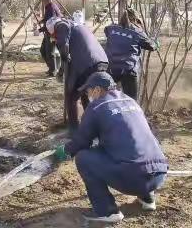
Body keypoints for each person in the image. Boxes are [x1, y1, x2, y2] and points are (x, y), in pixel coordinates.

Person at [54, 72, 168, 224]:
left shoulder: (97, 106)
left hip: (132, 178)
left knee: (83, 158)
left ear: (97, 90)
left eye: (88, 91)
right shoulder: (131, 101)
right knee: (136, 151)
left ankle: (107, 212)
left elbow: (81, 142)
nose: (88, 95)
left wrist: (65, 151)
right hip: (158, 174)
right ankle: (148, 198)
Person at [45, 17, 108, 129]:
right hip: (100, 61)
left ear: (53, 30)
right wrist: (61, 70)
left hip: (87, 64)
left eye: (54, 36)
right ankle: (91, 127)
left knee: (71, 98)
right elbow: (69, 56)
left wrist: (64, 57)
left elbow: (63, 47)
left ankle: (74, 131)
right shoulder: (76, 25)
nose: (55, 38)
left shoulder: (61, 25)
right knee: (85, 94)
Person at [104, 9, 156, 100]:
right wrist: (156, 43)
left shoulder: (111, 28)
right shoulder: (137, 31)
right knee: (131, 101)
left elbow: (106, 30)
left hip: (110, 68)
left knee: (108, 99)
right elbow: (152, 46)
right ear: (135, 19)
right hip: (128, 70)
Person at [39, 0, 63, 76]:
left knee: (49, 52)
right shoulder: (49, 7)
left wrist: (39, 30)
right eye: (43, 0)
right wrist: (42, 21)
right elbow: (47, 19)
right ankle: (52, 69)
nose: (43, 1)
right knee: (43, 50)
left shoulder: (51, 8)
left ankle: (53, 71)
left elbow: (51, 23)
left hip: (51, 34)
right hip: (48, 33)